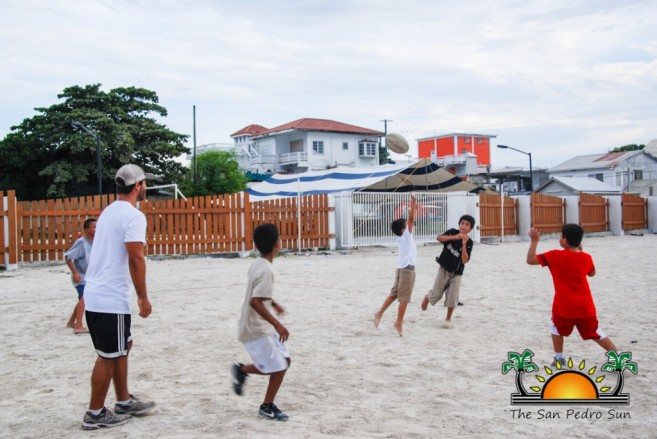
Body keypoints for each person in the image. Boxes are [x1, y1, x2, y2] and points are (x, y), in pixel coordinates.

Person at [80, 164, 155, 430]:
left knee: (124, 345)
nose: (145, 187)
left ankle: (123, 401)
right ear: (137, 186)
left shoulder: (109, 211)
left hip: (97, 294)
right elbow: (136, 256)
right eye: (144, 183)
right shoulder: (133, 216)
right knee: (109, 355)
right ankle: (95, 414)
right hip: (110, 297)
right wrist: (143, 296)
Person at [526, 224, 618, 366]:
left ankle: (559, 358)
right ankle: (617, 357)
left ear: (564, 241)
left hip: (564, 307)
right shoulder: (586, 257)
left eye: (561, 236)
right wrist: (581, 252)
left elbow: (530, 260)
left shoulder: (554, 255)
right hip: (585, 306)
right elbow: (592, 273)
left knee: (556, 327)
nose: (560, 238)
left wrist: (534, 241)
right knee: (596, 332)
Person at [232, 223, 291, 422]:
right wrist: (277, 323)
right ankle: (266, 406)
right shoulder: (266, 270)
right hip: (256, 328)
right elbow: (255, 301)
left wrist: (273, 303)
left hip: (261, 324)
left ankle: (241, 370)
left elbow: (259, 293)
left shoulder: (258, 264)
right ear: (277, 244)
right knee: (279, 366)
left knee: (285, 361)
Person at [374, 193, 417, 337]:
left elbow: (410, 219)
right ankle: (398, 322)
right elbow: (411, 218)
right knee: (404, 298)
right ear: (404, 229)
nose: (410, 224)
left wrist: (413, 206)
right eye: (407, 224)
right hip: (407, 270)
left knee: (394, 295)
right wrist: (413, 202)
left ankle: (379, 313)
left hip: (401, 269)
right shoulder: (406, 235)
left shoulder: (402, 238)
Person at [421, 214, 475, 328]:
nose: (464, 226)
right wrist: (455, 237)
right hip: (444, 269)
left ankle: (448, 319)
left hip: (457, 273)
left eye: (467, 225)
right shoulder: (452, 232)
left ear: (470, 228)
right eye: (462, 223)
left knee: (452, 297)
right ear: (459, 224)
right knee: (436, 296)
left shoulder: (469, 242)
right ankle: (427, 297)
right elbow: (439, 238)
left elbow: (465, 261)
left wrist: (464, 245)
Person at [64, 218, 96, 334]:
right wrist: (75, 272)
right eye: (94, 227)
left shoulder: (97, 242)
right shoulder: (81, 242)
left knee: (83, 299)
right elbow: (68, 257)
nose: (96, 229)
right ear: (86, 230)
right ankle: (78, 326)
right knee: (84, 298)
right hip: (81, 277)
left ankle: (71, 322)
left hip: (91, 277)